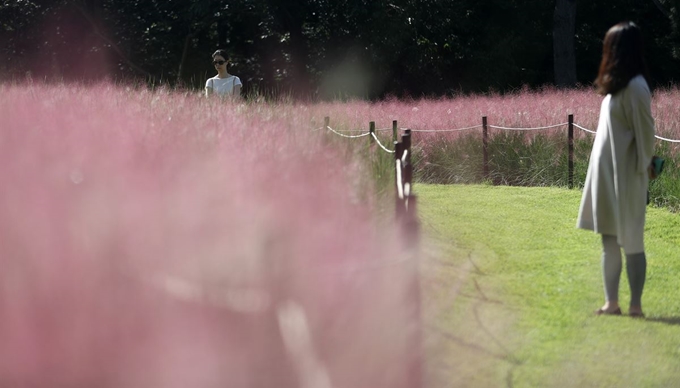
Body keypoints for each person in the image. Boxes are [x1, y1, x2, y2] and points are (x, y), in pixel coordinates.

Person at [577, 21, 656, 318]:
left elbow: (645, 134)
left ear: (617, 50)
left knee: (632, 240)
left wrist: (643, 172)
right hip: (608, 175)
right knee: (609, 240)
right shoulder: (616, 87)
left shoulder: (636, 86)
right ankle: (612, 303)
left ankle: (635, 305)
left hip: (628, 176)